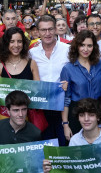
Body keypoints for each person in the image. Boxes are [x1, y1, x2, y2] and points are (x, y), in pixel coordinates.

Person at [30, 15, 70, 146]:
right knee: (44, 147)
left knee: (63, 146)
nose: (47, 33)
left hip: (63, 108)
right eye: (43, 30)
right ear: (38, 31)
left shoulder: (67, 50)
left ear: (55, 30)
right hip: (41, 109)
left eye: (50, 29)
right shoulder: (32, 53)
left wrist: (70, 83)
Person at [60, 30, 101, 141]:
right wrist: (65, 124)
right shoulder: (68, 69)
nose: (86, 49)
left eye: (89, 46)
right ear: (77, 46)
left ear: (94, 47)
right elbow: (65, 99)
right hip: (77, 114)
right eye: (82, 45)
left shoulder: (99, 64)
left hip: (97, 113)